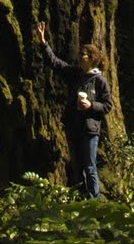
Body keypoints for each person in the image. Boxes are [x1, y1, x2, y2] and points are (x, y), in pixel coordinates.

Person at [34, 19, 112, 198]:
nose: (80, 57)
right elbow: (56, 63)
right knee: (77, 165)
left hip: (90, 129)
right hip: (73, 126)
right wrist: (43, 41)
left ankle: (94, 201)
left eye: (83, 54)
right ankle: (81, 198)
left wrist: (91, 105)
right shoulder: (76, 74)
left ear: (92, 58)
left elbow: (107, 106)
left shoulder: (100, 81)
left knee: (90, 165)